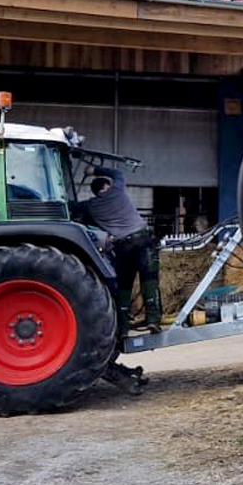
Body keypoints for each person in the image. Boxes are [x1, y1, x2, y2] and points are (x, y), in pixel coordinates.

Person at [76, 165, 160, 393]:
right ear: (107, 186)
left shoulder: (92, 206)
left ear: (95, 191)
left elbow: (77, 211)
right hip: (143, 241)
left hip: (123, 247)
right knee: (149, 282)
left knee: (124, 288)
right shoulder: (117, 191)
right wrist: (95, 169)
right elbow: (119, 174)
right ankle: (153, 320)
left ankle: (123, 328)